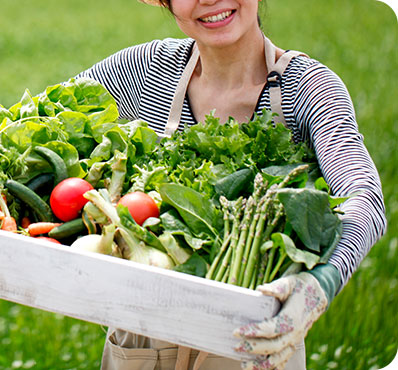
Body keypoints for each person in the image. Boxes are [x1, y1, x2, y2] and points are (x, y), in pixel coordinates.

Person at [73, 0, 388, 369]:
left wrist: (322, 282)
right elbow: (45, 116)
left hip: (253, 341)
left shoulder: (308, 90)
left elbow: (363, 196)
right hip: (141, 338)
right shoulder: (147, 71)